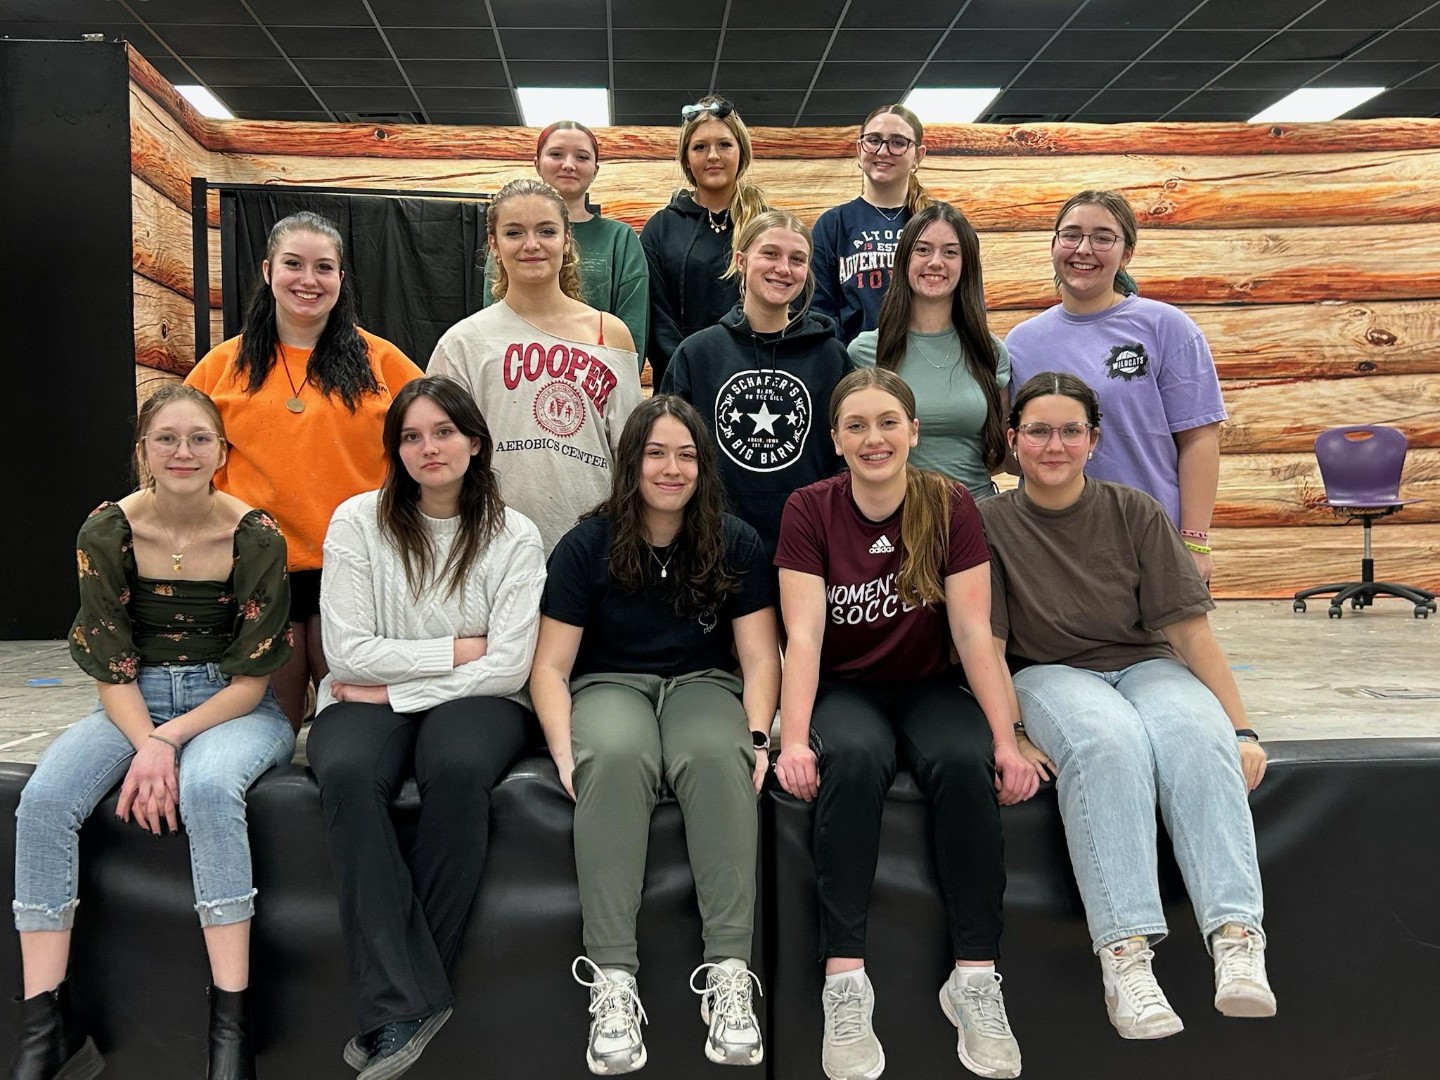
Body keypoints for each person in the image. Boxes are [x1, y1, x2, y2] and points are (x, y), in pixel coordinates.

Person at [981, 370, 1275, 1042]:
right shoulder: (987, 522)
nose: (1054, 446)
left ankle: (1236, 940)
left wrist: (1241, 728)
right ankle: (1126, 958)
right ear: (1013, 439)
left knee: (1196, 736)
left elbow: (1190, 632)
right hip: (1049, 671)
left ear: (1094, 439)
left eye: (1070, 431)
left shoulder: (1134, 510)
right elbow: (987, 645)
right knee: (1107, 743)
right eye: (1038, 431)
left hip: (1146, 663)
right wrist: (1012, 733)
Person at [11, 384, 295, 1080]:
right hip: (132, 702)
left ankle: (231, 1026)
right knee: (44, 801)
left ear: (222, 452)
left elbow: (250, 682)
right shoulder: (106, 531)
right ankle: (45, 1029)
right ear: (142, 450)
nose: (182, 452)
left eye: (199, 438)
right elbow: (111, 667)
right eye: (166, 438)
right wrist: (149, 741)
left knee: (207, 790)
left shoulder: (256, 535)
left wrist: (167, 744)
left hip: (229, 706)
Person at [773, 368, 1039, 1080]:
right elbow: (804, 635)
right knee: (854, 760)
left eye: (888, 422)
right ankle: (844, 982)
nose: (874, 438)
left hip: (927, 686)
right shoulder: (808, 508)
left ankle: (975, 978)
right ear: (836, 441)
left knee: (964, 762)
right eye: (856, 425)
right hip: (845, 688)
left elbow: (975, 633)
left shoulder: (949, 503)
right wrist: (793, 739)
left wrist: (1007, 741)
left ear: (914, 431)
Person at [530, 396, 780, 1075]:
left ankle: (730, 975)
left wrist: (759, 735)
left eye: (687, 455)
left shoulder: (735, 540)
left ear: (703, 465)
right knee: (613, 756)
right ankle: (613, 981)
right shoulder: (587, 545)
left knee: (716, 754)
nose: (673, 468)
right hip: (609, 683)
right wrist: (563, 747)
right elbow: (549, 667)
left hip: (703, 682)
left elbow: (761, 657)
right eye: (657, 453)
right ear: (631, 462)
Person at [306, 376, 546, 1080]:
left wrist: (394, 691)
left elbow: (508, 665)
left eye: (443, 432)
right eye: (411, 436)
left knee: (459, 769)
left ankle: (400, 1001)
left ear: (476, 442)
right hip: (366, 695)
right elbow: (347, 651)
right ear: (396, 450)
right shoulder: (357, 522)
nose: (428, 448)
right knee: (346, 772)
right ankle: (414, 999)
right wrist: (455, 650)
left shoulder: (514, 534)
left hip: (476, 699)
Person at [187, 211, 424, 726]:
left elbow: (430, 445)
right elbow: (182, 461)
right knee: (277, 722)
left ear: (341, 277)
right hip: (259, 567)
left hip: (360, 562)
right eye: (293, 264)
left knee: (354, 721)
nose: (308, 280)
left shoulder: (384, 363)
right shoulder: (221, 367)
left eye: (324, 267)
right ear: (268, 271)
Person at [1003, 189, 1226, 582]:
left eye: (1103, 238)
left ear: (1126, 254)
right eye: (1071, 235)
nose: (1083, 249)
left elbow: (1199, 439)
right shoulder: (1021, 343)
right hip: (1050, 546)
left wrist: (1194, 541)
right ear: (1054, 245)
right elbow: (1014, 451)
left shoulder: (1166, 328)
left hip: (1149, 541)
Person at [430, 177, 642, 554]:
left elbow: (630, 454)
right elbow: (441, 458)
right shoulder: (462, 343)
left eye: (546, 231)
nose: (531, 244)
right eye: (514, 232)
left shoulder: (609, 335)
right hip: (493, 547)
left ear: (566, 240)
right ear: (494, 245)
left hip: (593, 547)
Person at [661, 209, 850, 563]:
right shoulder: (697, 354)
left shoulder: (831, 358)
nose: (783, 268)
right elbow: (667, 452)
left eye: (797, 259)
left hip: (809, 548)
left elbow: (846, 458)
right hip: (713, 547)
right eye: (770, 254)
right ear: (741, 261)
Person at [849, 203, 1008, 498]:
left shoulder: (990, 350)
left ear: (966, 265)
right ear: (904, 260)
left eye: (950, 252)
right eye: (923, 250)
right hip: (895, 515)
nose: (935, 262)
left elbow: (1003, 452)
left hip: (977, 513)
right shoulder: (865, 352)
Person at [481, 121, 650, 368]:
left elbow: (631, 336)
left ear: (595, 169)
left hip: (595, 379)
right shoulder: (511, 240)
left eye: (582, 157)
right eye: (556, 154)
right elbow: (493, 322)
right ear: (537, 164)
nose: (569, 164)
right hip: (515, 374)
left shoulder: (620, 238)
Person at [640, 96, 769, 387]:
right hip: (682, 384)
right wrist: (688, 373)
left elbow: (788, 305)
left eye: (724, 145)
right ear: (687, 158)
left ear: (741, 152)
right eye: (700, 147)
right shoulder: (660, 228)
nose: (713, 156)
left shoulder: (767, 226)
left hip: (756, 381)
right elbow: (656, 319)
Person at [811, 104, 932, 345]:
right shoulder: (833, 224)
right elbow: (819, 311)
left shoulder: (939, 223)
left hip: (929, 359)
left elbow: (965, 300)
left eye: (898, 142)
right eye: (874, 140)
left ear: (918, 155)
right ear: (860, 148)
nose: (883, 151)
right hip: (853, 362)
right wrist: (845, 359)